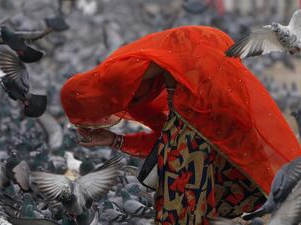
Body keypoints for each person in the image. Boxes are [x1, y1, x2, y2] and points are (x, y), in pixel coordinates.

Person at [60, 26, 301, 224]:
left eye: (88, 114)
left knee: (189, 175)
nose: (95, 119)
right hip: (197, 97)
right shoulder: (158, 112)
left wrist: (175, 84)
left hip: (203, 56)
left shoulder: (116, 77)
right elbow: (163, 138)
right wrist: (113, 139)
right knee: (185, 165)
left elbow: (166, 58)